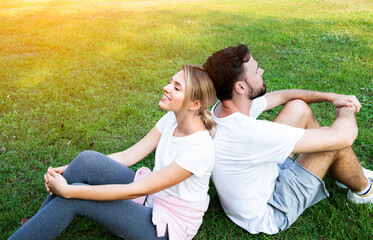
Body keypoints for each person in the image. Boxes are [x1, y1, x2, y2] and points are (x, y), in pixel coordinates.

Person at [9, 65, 216, 240]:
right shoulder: (173, 118)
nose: (166, 87)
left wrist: (69, 191)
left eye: (176, 87)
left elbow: (134, 191)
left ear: (194, 104)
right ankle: (41, 222)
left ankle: (42, 222)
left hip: (168, 226)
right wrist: (69, 170)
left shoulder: (199, 150)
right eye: (171, 82)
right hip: (150, 196)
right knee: (85, 160)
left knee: (75, 196)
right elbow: (127, 156)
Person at [202, 44, 373, 235]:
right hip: (271, 209)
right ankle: (364, 191)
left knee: (297, 107)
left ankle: (344, 171)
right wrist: (346, 109)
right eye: (257, 71)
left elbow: (282, 96)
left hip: (262, 178)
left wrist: (333, 97)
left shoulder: (223, 108)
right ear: (240, 87)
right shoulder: (250, 133)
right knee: (331, 142)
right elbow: (344, 137)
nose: (262, 71)